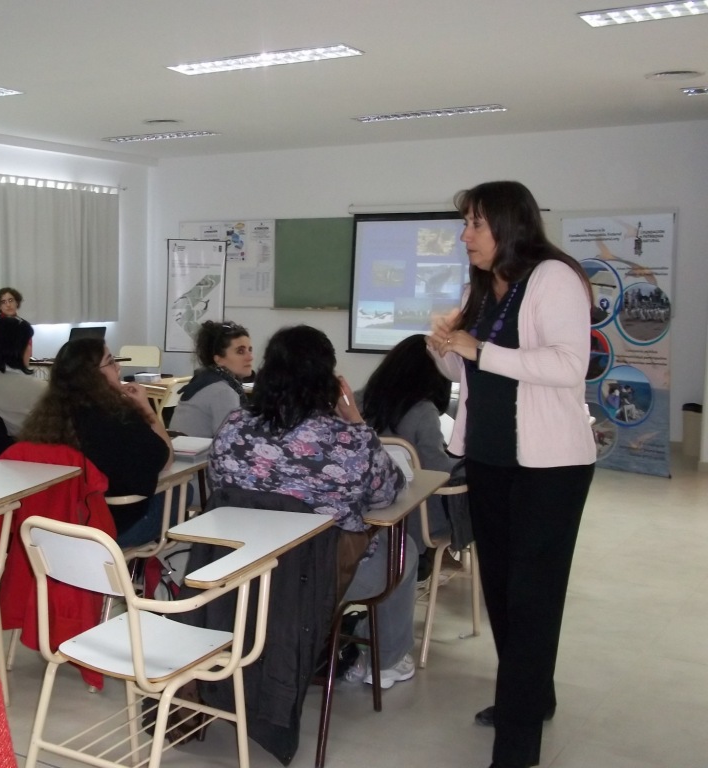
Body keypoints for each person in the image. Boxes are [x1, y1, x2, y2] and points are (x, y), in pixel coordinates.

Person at [428, 181, 595, 768]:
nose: (464, 235)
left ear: (508, 223)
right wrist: (444, 346)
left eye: (475, 223)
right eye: (465, 224)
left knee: (533, 597)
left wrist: (477, 350)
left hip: (551, 467)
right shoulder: (483, 288)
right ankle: (531, 693)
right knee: (499, 589)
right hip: (492, 457)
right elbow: (465, 369)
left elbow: (571, 365)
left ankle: (517, 745)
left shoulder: (554, 278)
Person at [209, 324, 414, 688]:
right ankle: (387, 662)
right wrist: (357, 420)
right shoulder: (350, 439)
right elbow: (388, 493)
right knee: (405, 550)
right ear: (330, 381)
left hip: (246, 568)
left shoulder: (233, 427)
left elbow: (218, 484)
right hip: (320, 575)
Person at [19, 338, 175, 548]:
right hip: (112, 528)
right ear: (91, 375)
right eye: (111, 362)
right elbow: (166, 459)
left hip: (59, 526)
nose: (118, 367)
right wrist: (145, 408)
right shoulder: (119, 418)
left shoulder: (47, 421)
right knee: (183, 492)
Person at [359, 333, 455, 583]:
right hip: (417, 521)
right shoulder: (423, 411)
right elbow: (439, 472)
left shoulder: (359, 401)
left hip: (365, 513)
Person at [170, 320, 254, 437]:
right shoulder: (222, 391)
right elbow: (231, 441)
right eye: (240, 351)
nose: (250, 357)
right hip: (198, 454)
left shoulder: (207, 379)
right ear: (218, 359)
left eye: (250, 350)